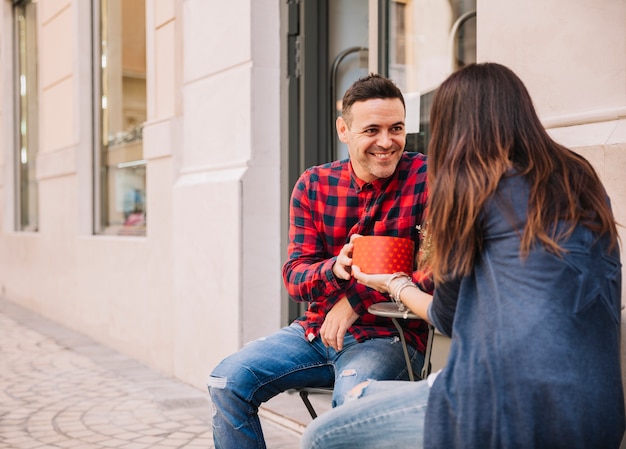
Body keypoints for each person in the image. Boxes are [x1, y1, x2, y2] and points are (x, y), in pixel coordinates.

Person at [301, 62, 625, 449]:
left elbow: (447, 315)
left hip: (508, 412)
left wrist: (394, 283)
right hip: (599, 410)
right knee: (365, 398)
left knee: (323, 436)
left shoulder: (471, 187)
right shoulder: (578, 176)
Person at [207, 73, 432, 449]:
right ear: (343, 130)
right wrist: (334, 268)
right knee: (227, 381)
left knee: (348, 412)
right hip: (316, 331)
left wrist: (354, 302)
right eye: (371, 130)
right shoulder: (314, 184)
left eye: (396, 128)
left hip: (390, 335)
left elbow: (433, 269)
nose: (386, 142)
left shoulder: (427, 177)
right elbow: (295, 276)